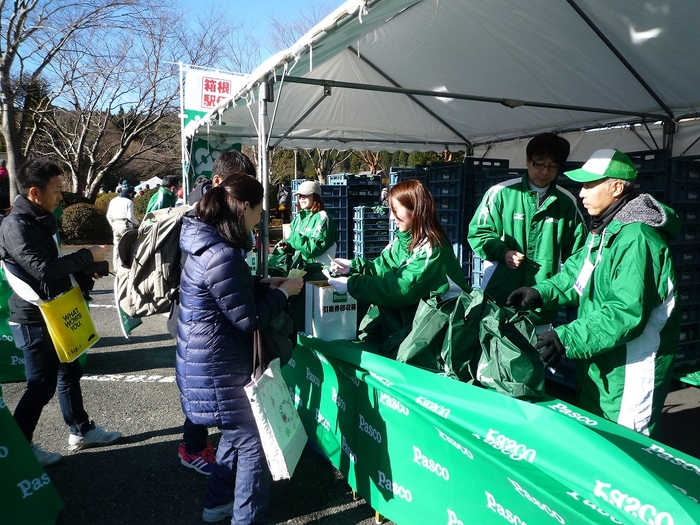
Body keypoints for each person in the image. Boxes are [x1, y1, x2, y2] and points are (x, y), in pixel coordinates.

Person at [507, 149, 680, 438]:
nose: (581, 193)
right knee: (601, 441)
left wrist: (566, 338)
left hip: (631, 369)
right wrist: (538, 292)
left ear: (616, 187)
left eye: (589, 185)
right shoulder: (605, 230)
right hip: (602, 361)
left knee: (627, 450)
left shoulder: (637, 239)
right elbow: (577, 275)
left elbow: (625, 312)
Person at [176, 174, 303, 523]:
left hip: (209, 361)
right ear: (245, 206)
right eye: (259, 209)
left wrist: (263, 282)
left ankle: (217, 503)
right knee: (253, 444)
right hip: (217, 367)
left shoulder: (207, 242)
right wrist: (283, 293)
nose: (260, 217)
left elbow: (225, 294)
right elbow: (248, 319)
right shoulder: (222, 253)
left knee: (237, 434)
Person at [0, 159, 121, 467]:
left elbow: (51, 266)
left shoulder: (39, 218)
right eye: (56, 189)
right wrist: (85, 255)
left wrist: (86, 269)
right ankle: (19, 450)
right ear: (34, 192)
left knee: (69, 371)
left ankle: (80, 430)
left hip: (54, 309)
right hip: (34, 316)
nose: (61, 195)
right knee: (40, 385)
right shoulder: (17, 225)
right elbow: (42, 270)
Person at [176, 150, 258, 476]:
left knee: (212, 400)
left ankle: (213, 480)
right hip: (201, 326)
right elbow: (245, 314)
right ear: (222, 183)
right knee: (221, 407)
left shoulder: (208, 225)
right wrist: (277, 293)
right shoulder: (208, 227)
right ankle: (194, 449)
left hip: (199, 321)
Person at [329, 179, 471, 356]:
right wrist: (352, 266)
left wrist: (352, 285)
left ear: (416, 210)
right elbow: (381, 268)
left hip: (446, 327)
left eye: (395, 211)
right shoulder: (401, 241)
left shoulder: (433, 249)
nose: (391, 217)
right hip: (415, 320)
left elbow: (401, 289)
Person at [468, 133, 587, 328]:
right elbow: (478, 233)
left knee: (535, 356)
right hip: (498, 298)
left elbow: (579, 254)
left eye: (552, 166)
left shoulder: (567, 202)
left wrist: (552, 289)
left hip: (540, 307)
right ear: (527, 161)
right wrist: (503, 252)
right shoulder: (501, 193)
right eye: (539, 163)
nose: (544, 171)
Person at [187, 150, 257, 205]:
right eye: (239, 187)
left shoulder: (243, 212)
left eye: (250, 189)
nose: (245, 196)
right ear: (217, 181)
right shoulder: (193, 219)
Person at [106, 180, 139, 268]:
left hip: (116, 225)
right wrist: (138, 222)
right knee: (128, 246)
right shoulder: (129, 202)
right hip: (126, 225)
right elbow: (130, 217)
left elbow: (108, 215)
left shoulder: (113, 200)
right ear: (131, 192)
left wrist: (113, 225)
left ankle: (116, 266)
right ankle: (127, 265)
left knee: (116, 246)